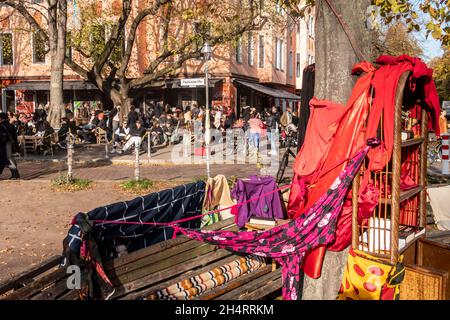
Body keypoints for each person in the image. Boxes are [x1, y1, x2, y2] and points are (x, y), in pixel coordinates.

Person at [0, 112, 20, 179]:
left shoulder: (1, 126)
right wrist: (17, 147)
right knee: (9, 158)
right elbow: (15, 138)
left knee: (8, 159)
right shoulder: (11, 125)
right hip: (10, 144)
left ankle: (15, 174)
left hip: (4, 145)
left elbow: (2, 138)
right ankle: (15, 174)